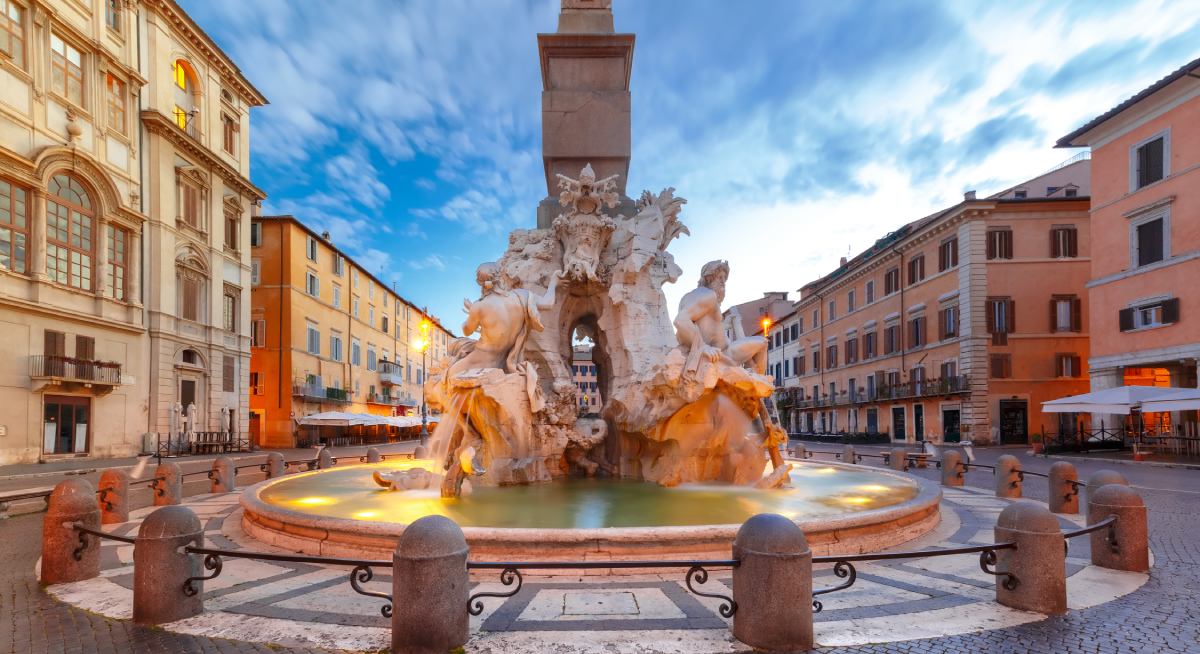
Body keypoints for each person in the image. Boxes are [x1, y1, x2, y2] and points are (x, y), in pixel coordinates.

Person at [673, 260, 768, 376]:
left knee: (754, 354)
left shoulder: (691, 296)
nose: (723, 282)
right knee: (763, 343)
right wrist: (703, 347)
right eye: (720, 277)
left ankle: (752, 374)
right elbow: (680, 321)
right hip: (722, 353)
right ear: (709, 278)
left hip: (717, 350)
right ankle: (759, 384)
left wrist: (724, 325)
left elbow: (703, 329)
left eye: (725, 278)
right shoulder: (709, 296)